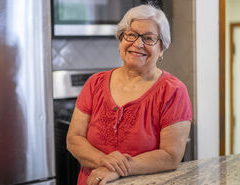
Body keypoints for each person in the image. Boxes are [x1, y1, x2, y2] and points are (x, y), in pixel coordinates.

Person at [67, 4, 192, 185]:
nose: (137, 44)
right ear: (121, 39)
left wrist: (120, 170)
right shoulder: (95, 83)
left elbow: (170, 156)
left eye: (149, 38)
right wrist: (105, 161)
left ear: (162, 49)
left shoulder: (173, 91)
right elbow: (74, 139)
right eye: (131, 35)